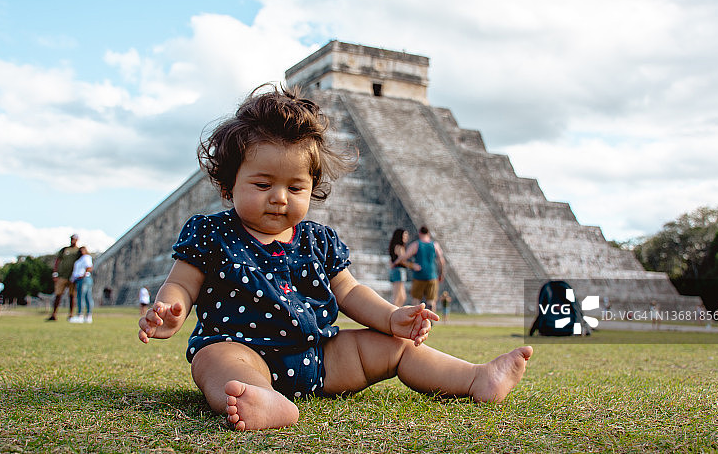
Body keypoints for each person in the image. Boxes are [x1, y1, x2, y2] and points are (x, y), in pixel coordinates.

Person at [137, 84, 533, 431]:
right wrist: (169, 308)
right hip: (242, 348)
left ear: (313, 189)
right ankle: (263, 399)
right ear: (228, 186)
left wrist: (390, 318)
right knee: (213, 361)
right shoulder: (211, 233)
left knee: (396, 349)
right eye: (262, 184)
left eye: (295, 187)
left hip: (320, 356)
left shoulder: (318, 240)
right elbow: (181, 284)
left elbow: (349, 292)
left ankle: (474, 378)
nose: (279, 197)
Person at [394, 226, 446, 311]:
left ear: (419, 233)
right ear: (428, 233)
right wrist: (441, 274)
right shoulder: (435, 245)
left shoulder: (416, 244)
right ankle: (430, 320)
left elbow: (404, 257)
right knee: (431, 300)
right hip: (432, 275)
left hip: (419, 276)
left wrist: (396, 262)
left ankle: (415, 319)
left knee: (416, 300)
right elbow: (441, 260)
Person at [48, 234, 81, 321]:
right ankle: (54, 314)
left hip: (73, 277)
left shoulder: (78, 251)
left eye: (74, 239)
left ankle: (71, 314)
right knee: (58, 295)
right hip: (62, 276)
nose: (72, 241)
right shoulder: (65, 250)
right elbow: (57, 261)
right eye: (71, 239)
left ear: (77, 240)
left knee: (72, 296)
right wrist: (55, 273)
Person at [387, 229, 415, 307]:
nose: (406, 237)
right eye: (404, 235)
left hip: (398, 271)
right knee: (397, 296)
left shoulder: (396, 246)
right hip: (398, 271)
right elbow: (401, 260)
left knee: (402, 297)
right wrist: (413, 266)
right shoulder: (399, 247)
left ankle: (396, 312)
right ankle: (392, 314)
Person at [70, 246, 94, 323]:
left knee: (82, 297)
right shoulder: (80, 259)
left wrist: (83, 275)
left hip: (83, 279)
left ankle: (80, 315)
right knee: (86, 296)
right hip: (81, 279)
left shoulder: (86, 257)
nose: (81, 252)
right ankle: (87, 316)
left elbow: (89, 267)